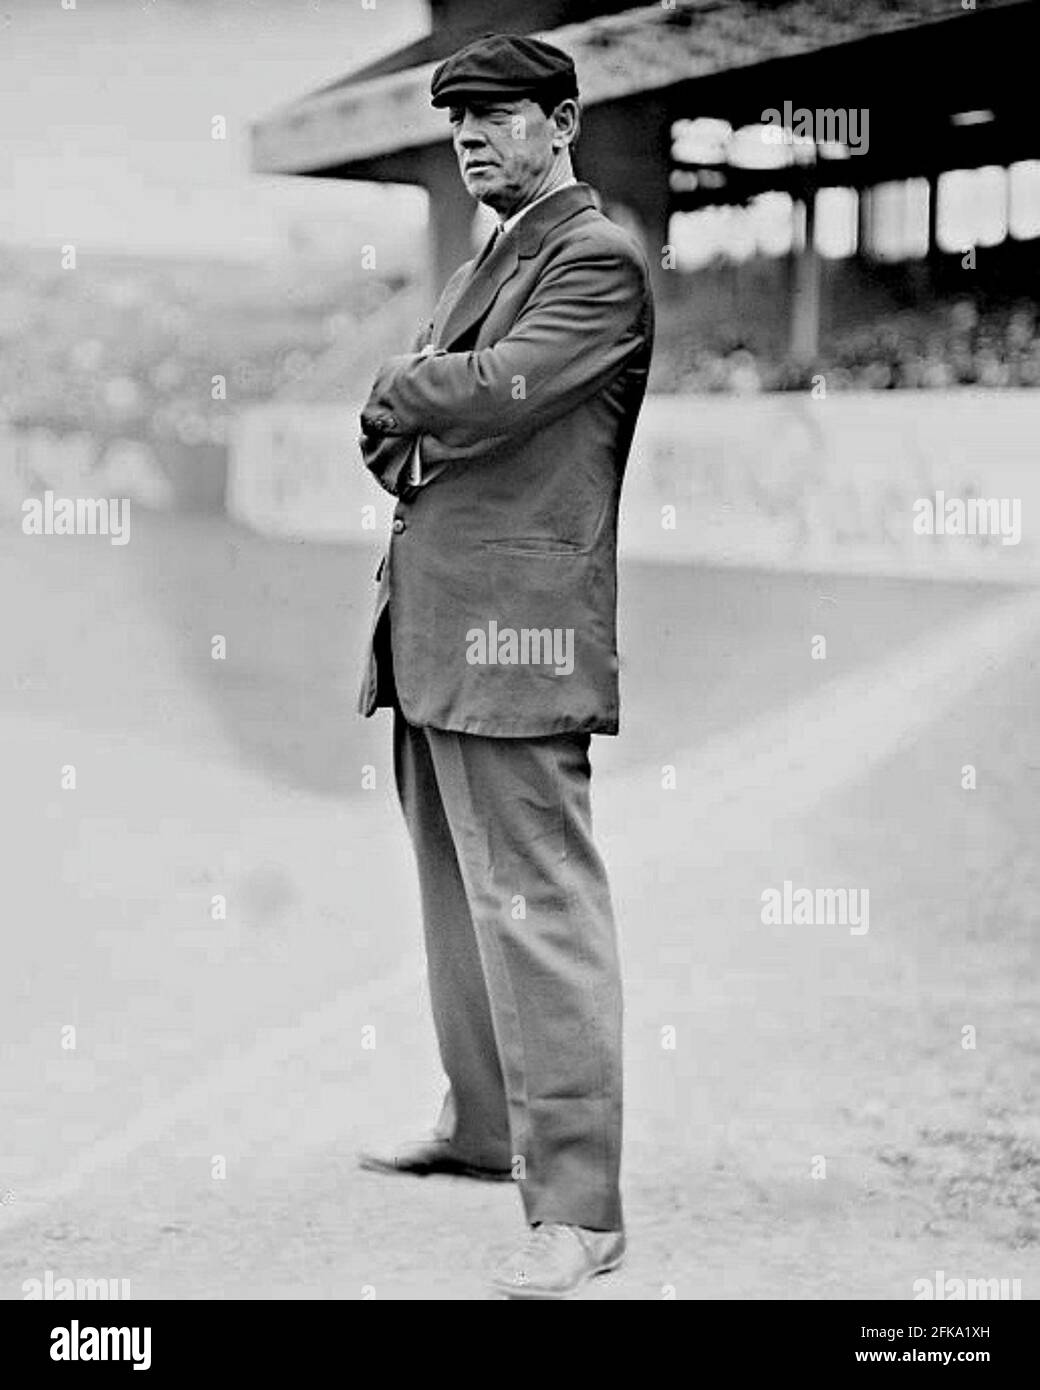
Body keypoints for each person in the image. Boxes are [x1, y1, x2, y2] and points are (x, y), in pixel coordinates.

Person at [356, 31, 655, 1300]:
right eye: (458, 120)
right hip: (433, 631)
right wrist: (415, 400)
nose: (472, 135)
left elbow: (492, 393)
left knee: (537, 911)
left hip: (518, 641)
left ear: (563, 119)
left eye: (498, 115)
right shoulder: (495, 250)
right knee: (456, 900)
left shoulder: (593, 255)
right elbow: (411, 436)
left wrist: (402, 384)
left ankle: (581, 1211)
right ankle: (484, 1129)